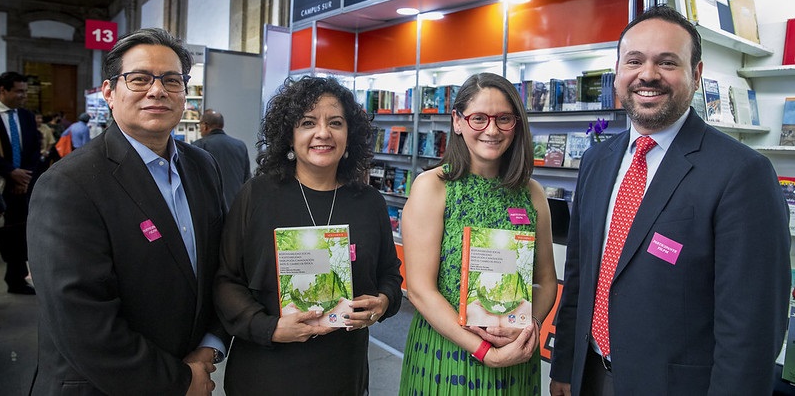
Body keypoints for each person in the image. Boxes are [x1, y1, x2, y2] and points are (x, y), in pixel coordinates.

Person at [549, 5, 790, 396]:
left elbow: (751, 330)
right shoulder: (597, 160)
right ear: (618, 74)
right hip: (589, 376)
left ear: (695, 75)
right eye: (634, 61)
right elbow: (580, 277)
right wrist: (564, 366)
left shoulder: (742, 174)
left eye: (667, 62)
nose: (648, 75)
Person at [27, 28, 229, 395]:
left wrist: (210, 345)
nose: (157, 91)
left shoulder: (203, 166)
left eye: (172, 80)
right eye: (139, 79)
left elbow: (221, 265)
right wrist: (179, 381)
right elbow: (81, 320)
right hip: (104, 386)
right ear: (109, 92)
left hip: (193, 367)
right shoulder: (69, 185)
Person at [214, 75, 403, 395]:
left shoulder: (369, 202)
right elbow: (225, 280)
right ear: (289, 135)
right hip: (266, 369)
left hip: (341, 370)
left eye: (336, 122)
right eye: (307, 122)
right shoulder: (256, 196)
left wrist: (383, 303)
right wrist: (270, 328)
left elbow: (389, 275)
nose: (323, 133)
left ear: (349, 135)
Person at [398, 72, 557, 395]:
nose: (492, 130)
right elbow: (419, 290)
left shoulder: (532, 193)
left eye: (504, 119)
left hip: (515, 355)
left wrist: (529, 328)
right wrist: (486, 352)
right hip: (446, 353)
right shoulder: (434, 187)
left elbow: (547, 280)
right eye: (479, 119)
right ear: (457, 121)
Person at [0, 72, 41, 295]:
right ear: (3, 90)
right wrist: (10, 172)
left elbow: (34, 148)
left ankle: (16, 279)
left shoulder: (26, 116)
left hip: (20, 186)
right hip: (0, 185)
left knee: (17, 235)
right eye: (19, 91)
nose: (24, 96)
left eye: (25, 91)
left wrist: (25, 176)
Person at [191, 109, 250, 208]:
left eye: (199, 125)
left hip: (209, 208)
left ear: (205, 126)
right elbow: (246, 178)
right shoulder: (240, 146)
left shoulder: (198, 146)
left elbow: (192, 181)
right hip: (236, 207)